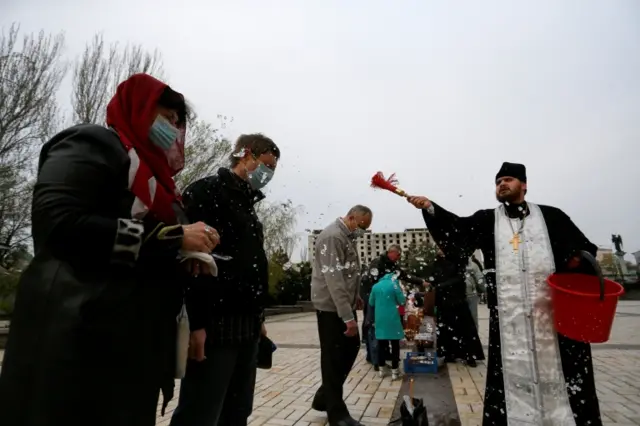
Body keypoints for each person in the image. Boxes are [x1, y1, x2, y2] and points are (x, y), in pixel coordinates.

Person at [0, 74, 219, 426]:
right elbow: (59, 223)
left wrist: (184, 256)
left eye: (179, 123)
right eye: (168, 117)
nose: (174, 129)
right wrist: (172, 238)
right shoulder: (92, 144)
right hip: (77, 341)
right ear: (140, 108)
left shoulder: (160, 184)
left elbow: (152, 242)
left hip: (134, 351)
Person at [407, 162, 602, 425]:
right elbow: (457, 230)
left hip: (553, 320)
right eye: (498, 181)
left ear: (523, 185)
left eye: (508, 179)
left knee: (564, 375)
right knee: (511, 377)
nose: (502, 184)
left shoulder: (552, 217)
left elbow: (583, 253)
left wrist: (574, 271)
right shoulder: (488, 220)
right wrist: (430, 207)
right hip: (511, 323)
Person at [170, 134, 280, 426]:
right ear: (246, 155)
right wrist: (198, 324)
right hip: (216, 327)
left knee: (237, 412)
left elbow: (249, 265)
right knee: (201, 413)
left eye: (273, 170)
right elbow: (194, 262)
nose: (267, 175)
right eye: (266, 165)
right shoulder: (206, 192)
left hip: (246, 329)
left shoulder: (247, 203)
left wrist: (258, 317)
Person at [310, 205, 373, 426]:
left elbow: (348, 273)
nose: (362, 232)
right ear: (352, 218)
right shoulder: (333, 237)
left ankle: (325, 396)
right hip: (331, 307)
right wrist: (347, 316)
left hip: (341, 304)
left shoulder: (345, 237)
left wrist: (355, 296)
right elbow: (334, 278)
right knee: (333, 357)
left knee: (349, 347)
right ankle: (337, 414)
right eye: (362, 227)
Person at [360, 245, 426, 364]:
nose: (399, 257)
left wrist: (421, 281)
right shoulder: (377, 263)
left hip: (382, 300)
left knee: (384, 326)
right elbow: (372, 281)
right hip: (372, 298)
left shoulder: (393, 266)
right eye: (398, 255)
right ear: (391, 253)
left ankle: (385, 354)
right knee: (373, 326)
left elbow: (405, 276)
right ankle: (374, 357)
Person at [429, 247, 484, 367]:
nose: (440, 250)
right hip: (443, 302)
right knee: (446, 328)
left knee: (465, 328)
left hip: (457, 299)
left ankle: (470, 355)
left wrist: (441, 285)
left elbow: (459, 278)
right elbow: (433, 279)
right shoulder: (436, 263)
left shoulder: (456, 261)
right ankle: (449, 354)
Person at [369, 273, 406, 380]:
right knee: (395, 344)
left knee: (381, 344)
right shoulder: (394, 285)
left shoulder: (375, 286)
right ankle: (395, 371)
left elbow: (371, 302)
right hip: (392, 318)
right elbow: (402, 301)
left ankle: (381, 368)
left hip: (380, 318)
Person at [465, 255, 485, 328]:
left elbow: (479, 278)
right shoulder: (473, 265)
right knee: (473, 317)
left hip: (470, 295)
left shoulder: (473, 265)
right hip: (470, 294)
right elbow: (480, 279)